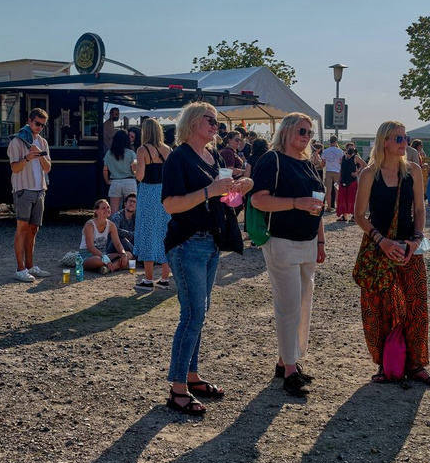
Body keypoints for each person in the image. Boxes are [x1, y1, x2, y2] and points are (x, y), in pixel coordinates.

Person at [161, 102, 253, 416]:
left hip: (210, 242)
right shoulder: (178, 157)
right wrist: (208, 190)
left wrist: (240, 188)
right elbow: (170, 205)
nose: (216, 126)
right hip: (187, 244)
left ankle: (191, 375)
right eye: (210, 120)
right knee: (192, 315)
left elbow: (225, 201)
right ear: (192, 122)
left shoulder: (211, 156)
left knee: (200, 312)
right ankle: (177, 389)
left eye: (217, 121)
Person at [354, 121, 430, 387]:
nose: (405, 142)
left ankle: (415, 365)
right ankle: (386, 364)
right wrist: (381, 241)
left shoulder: (413, 170)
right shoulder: (370, 174)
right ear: (385, 142)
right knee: (379, 308)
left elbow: (420, 209)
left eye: (406, 137)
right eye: (399, 138)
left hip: (408, 248)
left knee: (416, 304)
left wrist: (416, 240)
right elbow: (359, 215)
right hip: (380, 248)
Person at [250, 112, 326, 397]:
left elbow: (317, 205)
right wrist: (296, 203)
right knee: (289, 304)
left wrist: (321, 242)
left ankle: (286, 361)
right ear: (286, 132)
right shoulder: (272, 160)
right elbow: (258, 199)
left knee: (303, 303)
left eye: (309, 132)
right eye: (301, 131)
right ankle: (290, 369)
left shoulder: (308, 163)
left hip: (307, 242)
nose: (306, 136)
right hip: (281, 241)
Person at [8, 108, 52, 283]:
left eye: (43, 125)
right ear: (29, 121)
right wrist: (27, 157)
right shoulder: (17, 141)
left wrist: (39, 155)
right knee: (22, 229)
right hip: (23, 189)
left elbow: (48, 168)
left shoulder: (43, 142)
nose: (39, 127)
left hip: (39, 189)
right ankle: (20, 268)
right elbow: (14, 168)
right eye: (37, 123)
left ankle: (30, 266)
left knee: (33, 229)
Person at [133, 118, 172, 292]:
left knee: (148, 232)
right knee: (164, 232)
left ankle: (148, 279)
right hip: (164, 193)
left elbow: (140, 176)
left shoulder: (142, 150)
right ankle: (165, 278)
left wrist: (134, 168)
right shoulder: (168, 149)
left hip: (148, 193)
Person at [79, 199, 131, 274]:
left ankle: (107, 269)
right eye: (103, 208)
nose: (107, 210)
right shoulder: (89, 225)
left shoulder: (111, 225)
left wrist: (123, 254)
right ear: (96, 211)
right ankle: (116, 266)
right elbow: (90, 247)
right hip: (88, 255)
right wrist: (104, 258)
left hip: (104, 254)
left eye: (108, 207)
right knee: (98, 260)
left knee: (128, 255)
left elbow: (117, 244)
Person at [103, 130, 137, 214]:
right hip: (129, 181)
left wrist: (107, 180)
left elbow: (105, 170)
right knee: (131, 208)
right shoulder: (131, 153)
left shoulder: (109, 153)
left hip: (115, 182)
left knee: (114, 210)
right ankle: (130, 226)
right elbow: (134, 168)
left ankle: (114, 226)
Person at [336, 142, 366, 222]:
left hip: (352, 181)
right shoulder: (343, 157)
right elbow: (341, 169)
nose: (351, 150)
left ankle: (354, 216)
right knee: (343, 198)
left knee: (352, 198)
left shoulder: (355, 157)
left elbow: (364, 165)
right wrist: (338, 180)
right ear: (346, 149)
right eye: (350, 149)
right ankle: (344, 216)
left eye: (353, 149)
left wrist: (357, 173)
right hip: (343, 179)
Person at [321, 136, 344, 212]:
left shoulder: (325, 151)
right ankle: (338, 207)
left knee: (329, 190)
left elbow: (323, 164)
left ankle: (329, 206)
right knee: (337, 190)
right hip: (337, 171)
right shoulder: (340, 151)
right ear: (336, 141)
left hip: (328, 171)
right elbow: (341, 162)